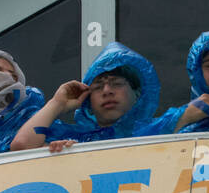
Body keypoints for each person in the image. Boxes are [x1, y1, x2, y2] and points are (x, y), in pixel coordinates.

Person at [10, 42, 161, 152]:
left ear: (138, 93)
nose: (107, 91)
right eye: (98, 87)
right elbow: (22, 145)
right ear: (88, 102)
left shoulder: (159, 131)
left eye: (117, 83)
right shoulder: (74, 139)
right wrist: (57, 104)